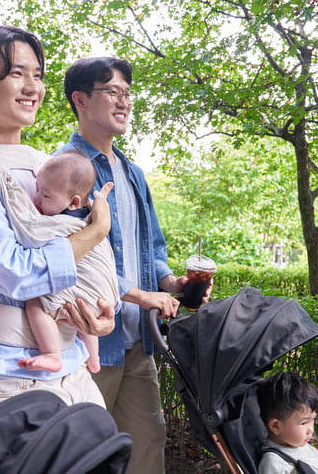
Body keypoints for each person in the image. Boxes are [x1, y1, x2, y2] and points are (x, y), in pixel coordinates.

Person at [0, 23, 115, 412]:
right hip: (9, 373)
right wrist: (98, 230)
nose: (33, 87)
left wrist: (101, 315)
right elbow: (13, 272)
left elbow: (88, 264)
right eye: (17, 73)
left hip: (74, 367)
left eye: (38, 75)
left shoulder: (43, 164)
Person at [58, 56, 199, 474]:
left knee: (147, 440)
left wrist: (172, 283)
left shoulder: (133, 173)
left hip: (137, 341)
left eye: (127, 93)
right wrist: (139, 295)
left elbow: (151, 246)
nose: (124, 102)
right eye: (112, 92)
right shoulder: (64, 169)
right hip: (88, 340)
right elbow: (71, 255)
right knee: (83, 451)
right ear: (80, 100)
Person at [19, 151, 118, 374]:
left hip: (91, 300)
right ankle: (93, 359)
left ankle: (52, 354)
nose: (36, 199)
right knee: (83, 310)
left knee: (34, 300)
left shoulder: (60, 223)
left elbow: (29, 234)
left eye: (44, 195)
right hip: (104, 301)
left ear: (73, 202)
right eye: (36, 190)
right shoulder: (88, 217)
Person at [257, 372, 318, 474]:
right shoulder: (273, 463)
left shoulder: (303, 446)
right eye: (304, 423)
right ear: (276, 426)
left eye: (313, 420)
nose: (311, 430)